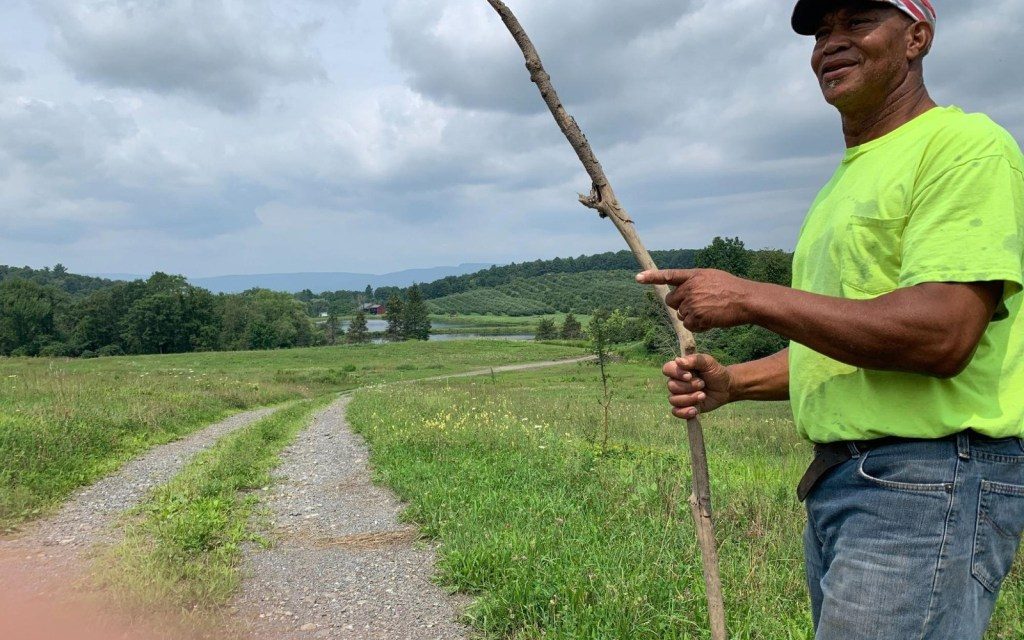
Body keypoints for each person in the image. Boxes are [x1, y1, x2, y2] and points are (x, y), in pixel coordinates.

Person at [636, 1, 1024, 638]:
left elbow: (940, 334)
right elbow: (852, 345)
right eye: (821, 31)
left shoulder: (967, 147)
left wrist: (751, 297)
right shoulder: (844, 183)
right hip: (857, 485)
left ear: (917, 38)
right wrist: (734, 384)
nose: (830, 43)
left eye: (857, 22)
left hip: (928, 481)